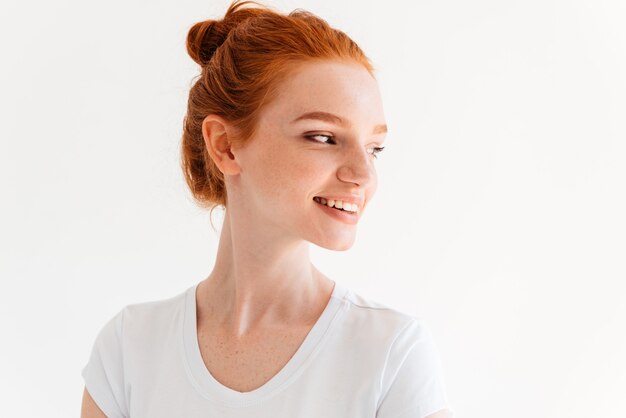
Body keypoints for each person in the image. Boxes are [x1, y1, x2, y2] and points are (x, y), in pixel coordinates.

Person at [80, 1, 454, 417]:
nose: (363, 174)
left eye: (374, 148)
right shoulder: (130, 350)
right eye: (324, 138)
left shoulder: (391, 355)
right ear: (225, 145)